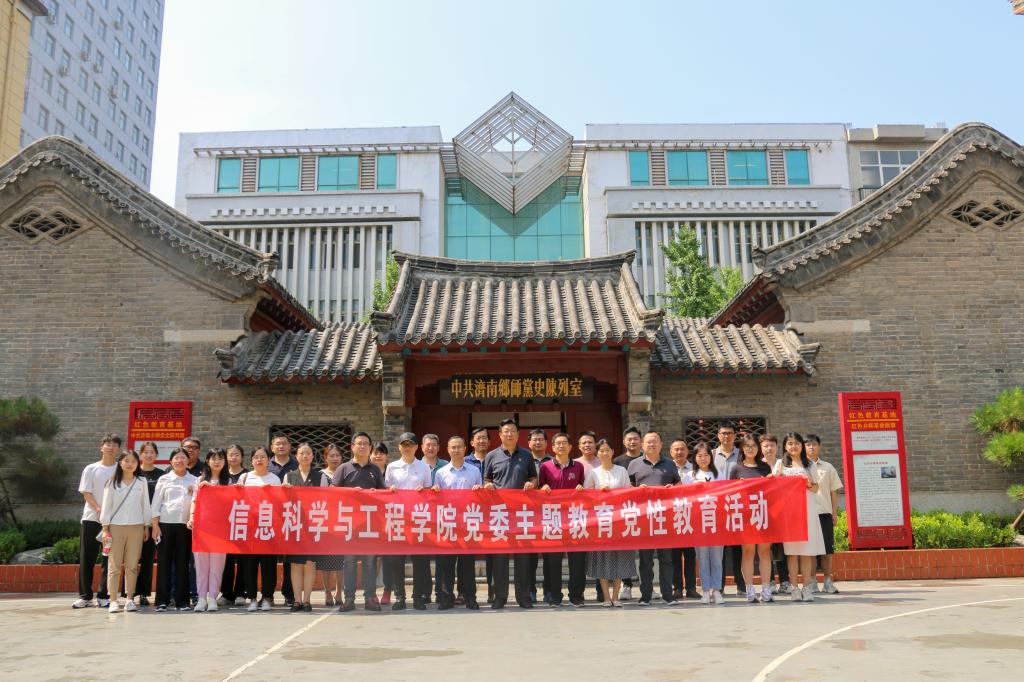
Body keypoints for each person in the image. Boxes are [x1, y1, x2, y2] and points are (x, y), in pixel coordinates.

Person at [483, 418, 538, 610]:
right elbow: (486, 480)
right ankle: (500, 597)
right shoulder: (491, 456)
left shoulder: (526, 455)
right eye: (506, 431)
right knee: (500, 559)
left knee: (523, 558)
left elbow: (534, 478)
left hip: (521, 514)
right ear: (500, 434)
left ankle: (523, 597)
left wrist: (531, 483)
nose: (509, 434)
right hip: (500, 514)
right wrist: (488, 485)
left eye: (513, 431)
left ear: (518, 434)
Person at [332, 432, 384, 613]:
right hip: (349, 524)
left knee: (370, 562)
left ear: (370, 448)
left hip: (370, 524)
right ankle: (349, 599)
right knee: (349, 562)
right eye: (359, 443)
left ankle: (370, 598)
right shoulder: (343, 468)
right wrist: (350, 492)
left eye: (365, 444)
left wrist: (375, 493)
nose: (362, 446)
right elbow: (332, 492)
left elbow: (383, 493)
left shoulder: (375, 469)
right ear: (352, 447)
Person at [628, 431, 680, 606]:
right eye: (648, 442)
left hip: (665, 519)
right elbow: (626, 489)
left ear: (661, 444)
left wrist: (672, 489)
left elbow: (679, 486)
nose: (652, 444)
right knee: (645, 560)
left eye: (655, 441)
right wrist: (637, 490)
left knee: (666, 559)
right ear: (642, 445)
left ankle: (668, 594)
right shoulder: (634, 464)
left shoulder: (670, 464)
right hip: (644, 520)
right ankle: (646, 595)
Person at [583, 439, 636, 607]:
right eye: (601, 450)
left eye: (607, 450)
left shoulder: (621, 471)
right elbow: (585, 495)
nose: (604, 453)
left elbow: (628, 493)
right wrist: (598, 493)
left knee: (619, 557)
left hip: (619, 521)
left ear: (613, 452)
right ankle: (606, 597)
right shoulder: (593, 473)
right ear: (597, 453)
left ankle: (616, 596)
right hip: (601, 522)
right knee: (602, 558)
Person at [384, 432, 433, 611]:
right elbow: (385, 493)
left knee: (420, 561)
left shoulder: (424, 467)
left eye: (410, 445)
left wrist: (424, 491)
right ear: (399, 447)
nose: (407, 448)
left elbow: (429, 491)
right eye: (404, 445)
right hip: (398, 519)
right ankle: (400, 597)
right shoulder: (392, 467)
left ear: (416, 447)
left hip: (418, 519)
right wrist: (390, 490)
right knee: (396, 561)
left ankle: (418, 597)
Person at [433, 435, 481, 610]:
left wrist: (479, 490)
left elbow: (481, 497)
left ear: (465, 449)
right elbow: (435, 499)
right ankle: (446, 598)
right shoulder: (441, 473)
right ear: (448, 449)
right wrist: (435, 491)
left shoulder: (474, 471)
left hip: (468, 522)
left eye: (459, 447)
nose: (456, 450)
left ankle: (470, 597)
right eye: (453, 447)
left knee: (467, 563)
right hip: (448, 523)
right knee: (446, 563)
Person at [538, 432, 586, 607]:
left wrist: (581, 488)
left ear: (570, 447)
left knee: (577, 559)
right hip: (553, 518)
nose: (561, 446)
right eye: (557, 443)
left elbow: (585, 489)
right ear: (552, 447)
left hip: (574, 517)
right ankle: (554, 595)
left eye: (564, 443)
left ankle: (576, 595)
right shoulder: (545, 466)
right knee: (553, 560)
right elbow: (539, 489)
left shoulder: (578, 466)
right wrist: (543, 488)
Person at [72, 434, 119, 609]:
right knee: (87, 558)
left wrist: (109, 513)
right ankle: (85, 596)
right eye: (108, 444)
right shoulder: (91, 468)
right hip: (91, 519)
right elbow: (86, 492)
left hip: (113, 521)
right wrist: (98, 508)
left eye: (114, 445)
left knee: (108, 558)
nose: (111, 447)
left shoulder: (120, 469)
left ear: (118, 449)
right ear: (101, 447)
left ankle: (104, 595)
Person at [101, 450, 151, 613]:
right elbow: (106, 505)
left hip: (136, 526)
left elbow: (145, 505)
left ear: (137, 464)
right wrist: (105, 528)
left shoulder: (141, 481)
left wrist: (146, 525)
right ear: (120, 463)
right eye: (126, 461)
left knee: (132, 565)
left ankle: (130, 598)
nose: (130, 464)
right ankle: (113, 600)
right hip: (115, 526)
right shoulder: (112, 482)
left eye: (133, 461)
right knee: (114, 565)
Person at [780, 432, 826, 602]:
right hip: (789, 512)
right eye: (790, 443)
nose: (794, 446)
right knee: (792, 553)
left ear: (801, 445)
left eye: (797, 443)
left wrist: (809, 484)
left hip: (807, 510)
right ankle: (794, 588)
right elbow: (775, 486)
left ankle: (806, 588)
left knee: (806, 552)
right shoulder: (781, 465)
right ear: (785, 446)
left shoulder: (810, 465)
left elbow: (816, 489)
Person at [284, 443, 330, 613]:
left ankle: (307, 600)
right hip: (294, 525)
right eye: (302, 453)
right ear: (296, 456)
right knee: (296, 564)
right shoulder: (289, 476)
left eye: (308, 453)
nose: (305, 456)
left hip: (313, 526)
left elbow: (326, 501)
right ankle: (297, 600)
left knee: (310, 563)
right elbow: (283, 500)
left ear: (312, 456)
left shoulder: (321, 477)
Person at [151, 448, 198, 612]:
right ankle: (162, 601)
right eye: (176, 458)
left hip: (185, 526)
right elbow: (156, 503)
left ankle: (182, 601)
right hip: (165, 524)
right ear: (171, 461)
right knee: (164, 563)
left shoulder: (194, 480)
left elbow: (197, 502)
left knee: (183, 563)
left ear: (188, 460)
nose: (179, 461)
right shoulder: (164, 479)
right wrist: (155, 525)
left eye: (183, 458)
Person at [730, 435, 775, 603]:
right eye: (747, 446)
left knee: (765, 552)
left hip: (763, 513)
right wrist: (738, 486)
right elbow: (729, 493)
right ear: (742, 448)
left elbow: (772, 491)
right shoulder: (736, 468)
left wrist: (769, 481)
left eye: (753, 445)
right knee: (748, 552)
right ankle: (749, 588)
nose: (750, 449)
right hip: (745, 515)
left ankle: (766, 588)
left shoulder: (765, 467)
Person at [239, 446, 281, 612]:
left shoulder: (274, 479)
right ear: (251, 460)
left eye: (263, 457)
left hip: (268, 528)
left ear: (269, 460)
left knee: (268, 565)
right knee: (249, 564)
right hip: (249, 528)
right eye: (256, 457)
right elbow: (237, 499)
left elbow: (280, 502)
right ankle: (251, 598)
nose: (259, 460)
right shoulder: (245, 477)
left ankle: (267, 597)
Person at [189, 448, 230, 612]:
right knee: (201, 563)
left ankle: (212, 597)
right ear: (207, 461)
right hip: (202, 526)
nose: (217, 461)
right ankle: (201, 598)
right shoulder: (199, 480)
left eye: (220, 458)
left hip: (221, 528)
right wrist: (191, 517)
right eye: (213, 458)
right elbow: (194, 501)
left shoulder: (228, 481)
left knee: (217, 565)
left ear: (225, 462)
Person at [805, 434, 843, 594]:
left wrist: (834, 513)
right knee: (810, 551)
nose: (811, 447)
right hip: (807, 514)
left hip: (824, 513)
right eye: (808, 444)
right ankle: (812, 581)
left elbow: (834, 491)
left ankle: (828, 581)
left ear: (819, 446)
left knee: (827, 551)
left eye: (814, 444)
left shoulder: (828, 467)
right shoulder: (800, 467)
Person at [690, 442, 725, 605]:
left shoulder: (719, 474)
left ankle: (716, 590)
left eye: (706, 455)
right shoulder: (690, 476)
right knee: (702, 557)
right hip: (699, 522)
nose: (703, 458)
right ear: (695, 458)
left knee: (717, 557)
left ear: (711, 457)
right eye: (699, 455)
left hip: (717, 521)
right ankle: (705, 590)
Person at [713, 421, 745, 596]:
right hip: (717, 508)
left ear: (735, 436)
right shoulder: (711, 454)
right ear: (718, 435)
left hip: (737, 506)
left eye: (730, 433)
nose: (726, 436)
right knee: (720, 550)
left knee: (738, 548)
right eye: (723, 433)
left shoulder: (742, 455)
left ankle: (741, 584)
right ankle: (720, 585)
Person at [613, 425, 643, 601]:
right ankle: (627, 585)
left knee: (646, 551)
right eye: (629, 439)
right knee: (625, 550)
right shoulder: (618, 462)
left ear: (641, 441)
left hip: (646, 511)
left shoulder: (648, 459)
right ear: (624, 442)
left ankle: (647, 586)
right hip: (624, 511)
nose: (632, 442)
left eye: (635, 439)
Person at [268, 435, 298, 607]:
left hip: (290, 516)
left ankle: (289, 594)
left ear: (290, 446)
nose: (281, 446)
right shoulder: (266, 465)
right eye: (277, 444)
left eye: (284, 443)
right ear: (272, 447)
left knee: (288, 558)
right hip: (269, 517)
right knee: (269, 558)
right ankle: (268, 593)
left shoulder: (296, 465)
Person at [668, 438, 700, 600]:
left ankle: (691, 588)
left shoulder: (695, 470)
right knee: (674, 556)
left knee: (690, 555)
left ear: (687, 451)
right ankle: (677, 588)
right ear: (670, 452)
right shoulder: (666, 468)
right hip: (672, 517)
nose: (679, 452)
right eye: (676, 449)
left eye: (682, 449)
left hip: (690, 516)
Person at [759, 433, 791, 594]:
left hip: (781, 510)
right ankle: (770, 581)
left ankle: (784, 581)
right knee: (766, 548)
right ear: (761, 448)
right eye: (766, 445)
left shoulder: (783, 464)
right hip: (763, 510)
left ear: (777, 447)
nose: (769, 448)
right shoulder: (757, 465)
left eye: (772, 445)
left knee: (781, 547)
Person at [134, 441, 164, 608]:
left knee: (147, 559)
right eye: (146, 452)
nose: (149, 455)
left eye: (152, 452)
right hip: (134, 521)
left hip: (153, 523)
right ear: (141, 454)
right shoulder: (134, 472)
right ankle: (130, 592)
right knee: (132, 559)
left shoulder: (162, 474)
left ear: (156, 455)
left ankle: (144, 593)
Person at [316, 443, 346, 607]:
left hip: (343, 520)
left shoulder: (346, 472)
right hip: (326, 521)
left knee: (341, 560)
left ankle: (339, 592)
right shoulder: (321, 475)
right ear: (325, 458)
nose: (335, 458)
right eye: (331, 455)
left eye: (337, 455)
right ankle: (327, 592)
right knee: (326, 560)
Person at [218, 444, 248, 607]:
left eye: (237, 454)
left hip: (244, 522)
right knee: (226, 560)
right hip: (225, 524)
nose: (233, 457)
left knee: (243, 559)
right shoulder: (221, 476)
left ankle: (240, 593)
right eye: (230, 454)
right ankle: (226, 593)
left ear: (242, 457)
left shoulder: (248, 475)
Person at [419, 433, 446, 605]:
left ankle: (441, 592)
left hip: (442, 517)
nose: (430, 448)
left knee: (442, 557)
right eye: (427, 445)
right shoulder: (416, 466)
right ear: (422, 447)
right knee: (422, 557)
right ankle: (425, 592)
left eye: (434, 445)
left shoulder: (446, 466)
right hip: (421, 517)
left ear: (439, 447)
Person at [526, 428, 552, 604]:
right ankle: (530, 590)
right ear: (529, 443)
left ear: (546, 443)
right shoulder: (524, 460)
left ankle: (549, 590)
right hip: (529, 513)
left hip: (550, 513)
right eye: (534, 440)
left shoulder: (553, 461)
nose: (537, 442)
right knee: (530, 557)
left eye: (541, 439)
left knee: (550, 555)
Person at [466, 427, 492, 602]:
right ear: (472, 442)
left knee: (493, 554)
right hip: (470, 514)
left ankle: (493, 592)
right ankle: (466, 593)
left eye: (484, 438)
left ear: (489, 442)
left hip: (492, 514)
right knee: (467, 556)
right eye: (478, 438)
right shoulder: (465, 461)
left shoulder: (495, 459)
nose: (481, 441)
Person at [370, 441, 397, 605]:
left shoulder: (392, 472)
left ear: (387, 456)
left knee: (389, 558)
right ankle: (371, 591)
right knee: (371, 558)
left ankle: (387, 590)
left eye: (381, 452)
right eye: (375, 452)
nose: (378, 456)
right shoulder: (366, 472)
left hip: (390, 520)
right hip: (370, 521)